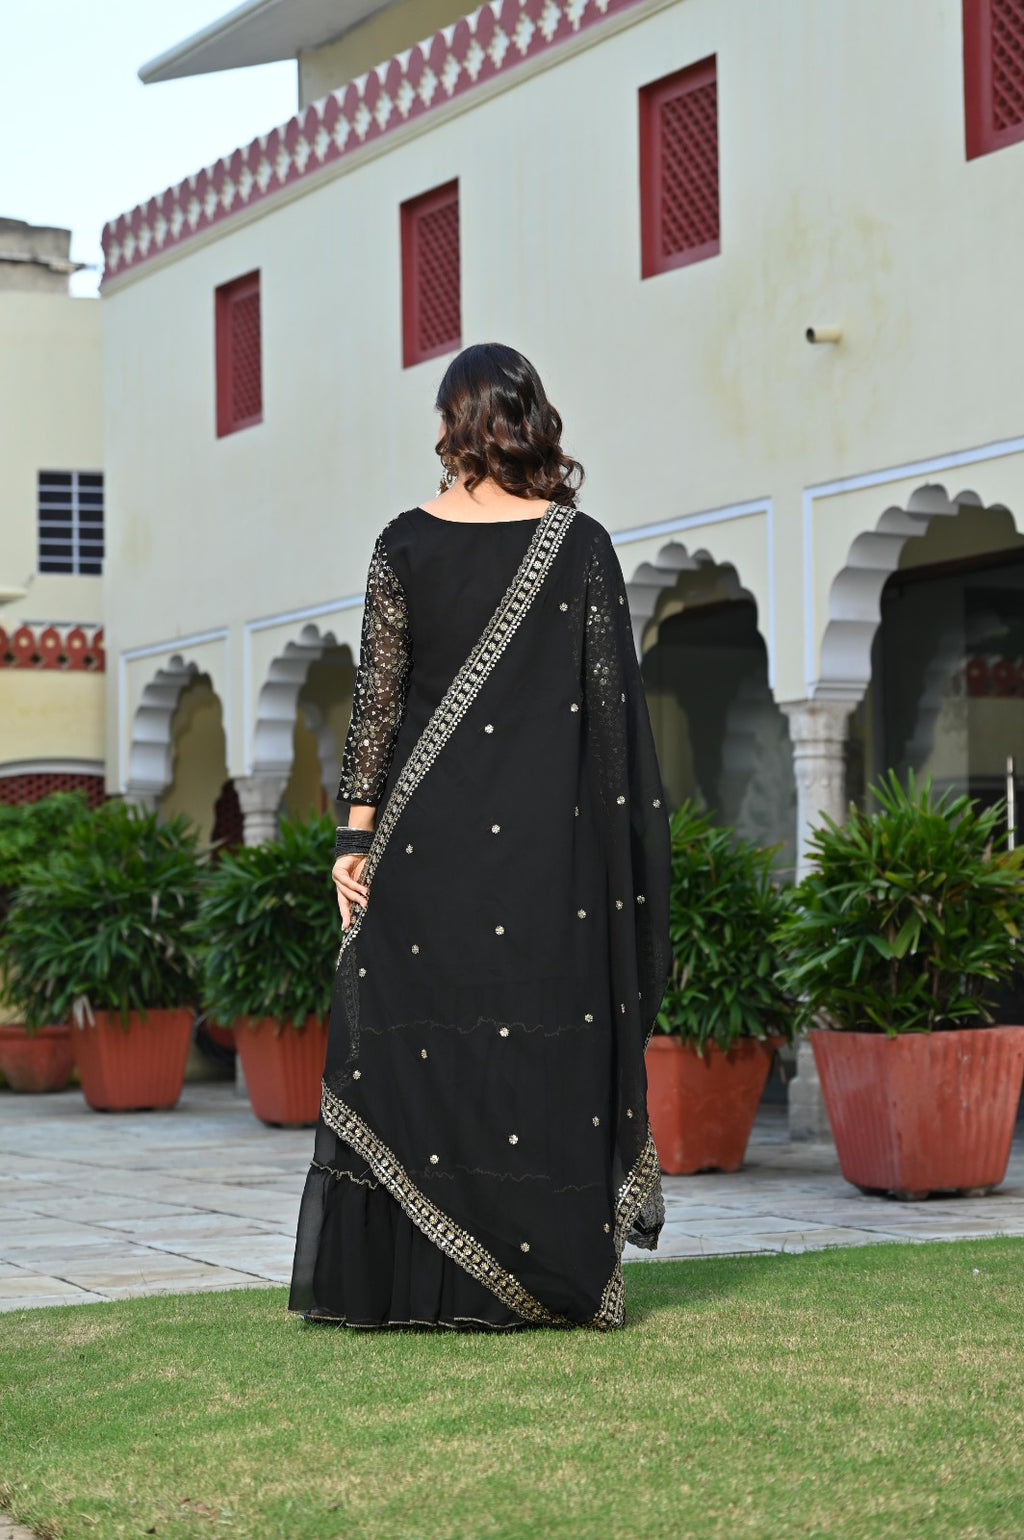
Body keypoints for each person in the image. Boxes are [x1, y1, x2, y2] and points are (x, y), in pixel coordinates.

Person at [288, 342, 671, 1331]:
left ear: (453, 422)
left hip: (423, 845)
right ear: (528, 420)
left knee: (425, 1043)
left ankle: (420, 1283)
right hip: (553, 852)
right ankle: (548, 1279)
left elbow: (375, 706)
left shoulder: (401, 542)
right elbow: (609, 726)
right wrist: (612, 865)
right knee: (538, 1048)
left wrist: (352, 839)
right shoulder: (577, 544)